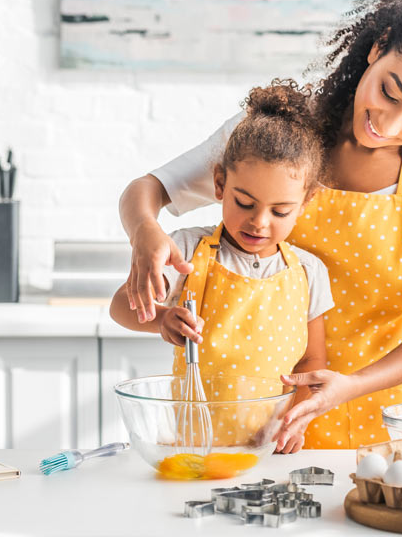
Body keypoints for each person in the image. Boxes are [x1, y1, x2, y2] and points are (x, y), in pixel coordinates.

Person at [117, 0, 402, 450]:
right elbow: (148, 190)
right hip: (263, 419)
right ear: (378, 46)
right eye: (389, 92)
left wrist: (349, 385)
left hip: (388, 421)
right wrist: (145, 230)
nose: (388, 123)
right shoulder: (276, 135)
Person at [110, 80, 334, 453]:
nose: (259, 222)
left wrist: (297, 421)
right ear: (219, 184)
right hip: (194, 447)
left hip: (270, 452)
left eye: (280, 211)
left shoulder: (310, 272)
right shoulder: (187, 251)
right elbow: (121, 306)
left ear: (306, 202)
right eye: (244, 202)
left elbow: (312, 361)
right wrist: (161, 318)